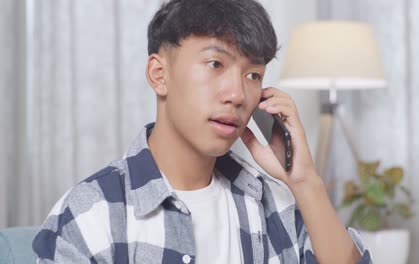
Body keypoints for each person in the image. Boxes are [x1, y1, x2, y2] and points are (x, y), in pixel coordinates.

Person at [32, 0, 371, 263]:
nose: (237, 95)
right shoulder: (92, 214)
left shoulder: (272, 203)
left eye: (253, 75)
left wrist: (304, 181)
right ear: (159, 74)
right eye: (215, 64)